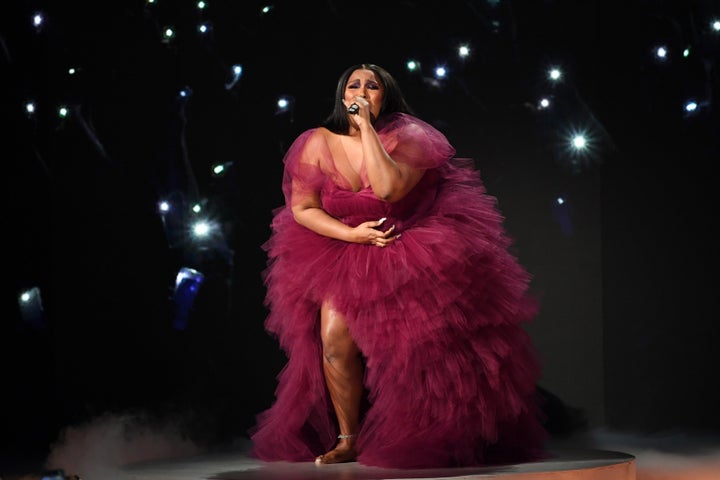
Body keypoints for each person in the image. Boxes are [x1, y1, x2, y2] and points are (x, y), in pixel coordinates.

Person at [249, 63, 547, 469]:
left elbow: (388, 189)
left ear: (384, 97)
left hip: (407, 247)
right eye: (353, 85)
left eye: (371, 86)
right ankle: (347, 439)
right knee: (334, 342)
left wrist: (369, 130)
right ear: (341, 94)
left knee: (414, 349)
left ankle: (429, 431)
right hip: (344, 248)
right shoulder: (316, 142)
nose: (361, 91)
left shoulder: (409, 136)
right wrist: (352, 235)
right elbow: (302, 207)